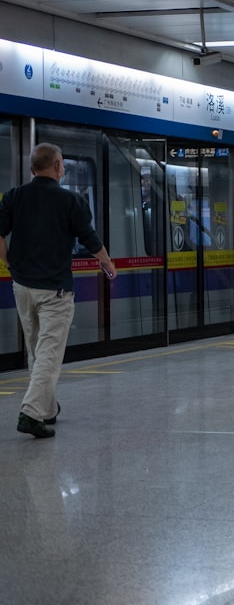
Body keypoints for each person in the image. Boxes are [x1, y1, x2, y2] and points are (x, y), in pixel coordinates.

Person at [0, 143, 117, 438]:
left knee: (37, 350)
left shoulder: (15, 196)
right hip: (55, 292)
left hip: (23, 287)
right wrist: (107, 264)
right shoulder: (70, 201)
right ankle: (30, 413)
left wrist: (10, 264)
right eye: (62, 163)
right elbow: (89, 238)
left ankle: (47, 410)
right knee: (49, 355)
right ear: (57, 166)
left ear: (32, 168)